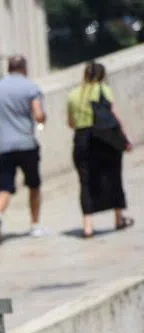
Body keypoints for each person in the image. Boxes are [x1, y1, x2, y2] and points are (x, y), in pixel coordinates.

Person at [67, 60, 133, 239]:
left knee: (85, 181)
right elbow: (114, 116)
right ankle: (118, 218)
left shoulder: (73, 94)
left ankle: (88, 226)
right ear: (102, 76)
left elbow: (70, 123)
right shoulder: (104, 89)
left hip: (82, 140)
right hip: (105, 140)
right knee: (114, 176)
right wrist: (125, 139)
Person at [0, 54, 48, 244]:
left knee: (5, 186)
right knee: (34, 185)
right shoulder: (30, 87)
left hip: (2, 146)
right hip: (26, 144)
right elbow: (38, 114)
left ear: (8, 68)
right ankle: (35, 225)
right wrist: (42, 118)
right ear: (24, 68)